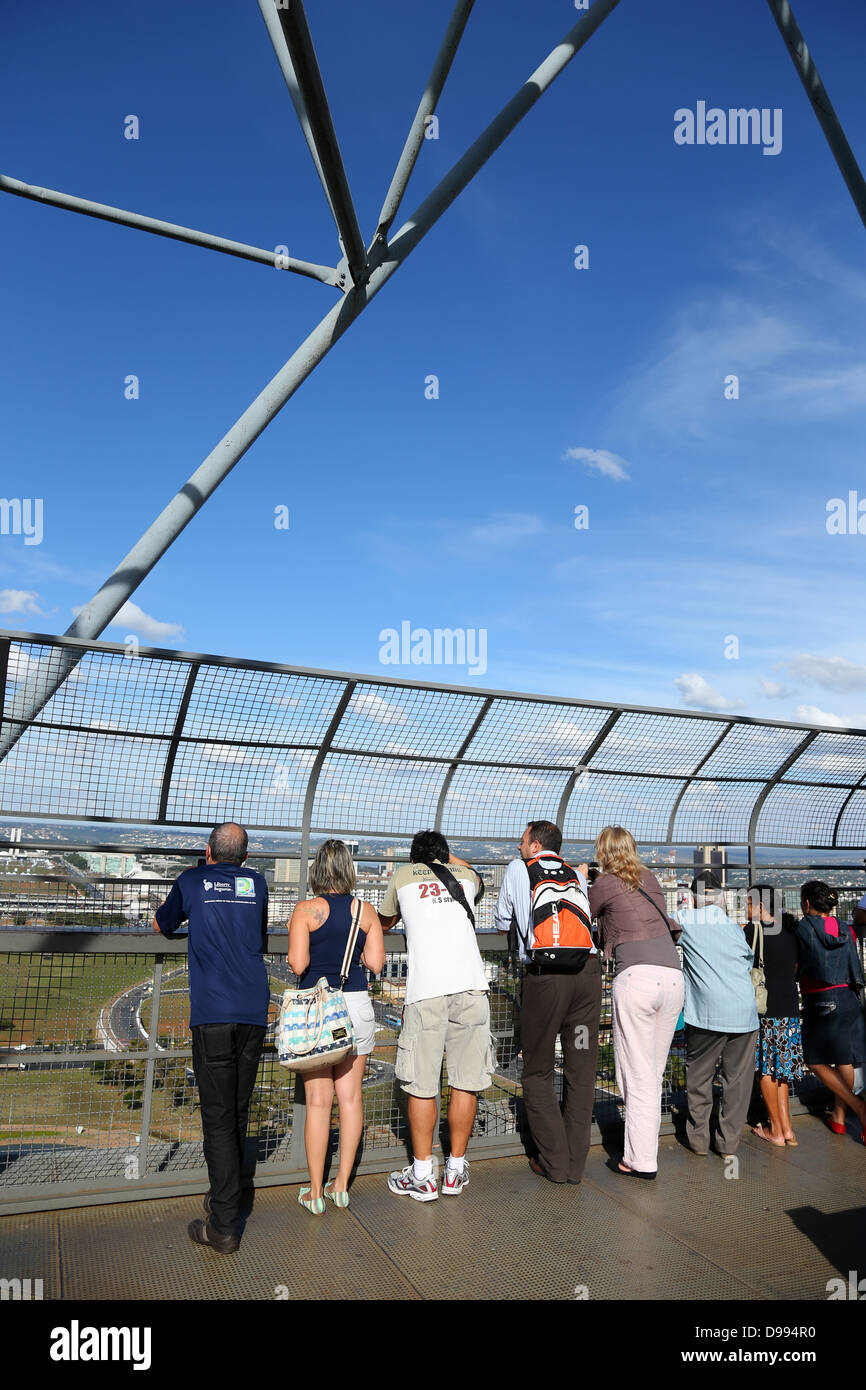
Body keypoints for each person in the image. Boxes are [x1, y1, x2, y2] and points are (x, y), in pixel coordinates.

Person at [154, 822, 269, 1254]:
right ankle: (229, 1195)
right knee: (238, 1110)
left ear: (207, 851)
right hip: (255, 1010)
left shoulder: (190, 880)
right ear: (244, 856)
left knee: (218, 1118)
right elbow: (255, 936)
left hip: (213, 1013)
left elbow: (161, 924)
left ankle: (223, 1224)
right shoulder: (256, 883)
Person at [377, 830, 494, 1201]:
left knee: (422, 1083)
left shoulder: (401, 877)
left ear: (413, 858)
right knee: (466, 1081)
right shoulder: (465, 877)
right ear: (446, 856)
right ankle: (455, 1171)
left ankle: (424, 1175)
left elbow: (384, 922)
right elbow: (473, 873)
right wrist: (449, 859)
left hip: (426, 989)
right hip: (473, 985)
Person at [494, 820, 600, 1184]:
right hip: (587, 977)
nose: (518, 848)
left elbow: (502, 918)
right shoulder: (575, 872)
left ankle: (555, 1162)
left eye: (522, 842)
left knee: (537, 1070)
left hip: (546, 980)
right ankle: (575, 1165)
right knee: (581, 1070)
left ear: (536, 845)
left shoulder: (517, 869)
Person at [288, 840, 385, 1213]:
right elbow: (376, 963)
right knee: (351, 1099)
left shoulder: (306, 909)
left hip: (319, 1011)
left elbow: (298, 965)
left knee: (318, 1102)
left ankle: (314, 1191)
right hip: (356, 1006)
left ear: (317, 870)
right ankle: (341, 1185)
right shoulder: (367, 910)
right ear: (348, 869)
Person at [589, 826, 683, 1179]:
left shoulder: (604, 882)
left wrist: (587, 879)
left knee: (636, 1073)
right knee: (651, 1073)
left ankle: (641, 1160)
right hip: (673, 978)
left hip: (637, 979)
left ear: (603, 851)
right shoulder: (650, 876)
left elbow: (590, 917)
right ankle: (641, 1149)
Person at [673, 870, 758, 1158]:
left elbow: (667, 925)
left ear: (694, 898)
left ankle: (698, 1140)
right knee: (737, 1081)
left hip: (707, 1013)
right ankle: (727, 1144)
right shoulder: (733, 927)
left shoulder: (686, 920)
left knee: (699, 1076)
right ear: (721, 898)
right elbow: (747, 961)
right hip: (743, 1012)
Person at [795, 880, 866, 1142]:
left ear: (807, 903)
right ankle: (838, 1117)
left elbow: (798, 964)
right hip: (849, 997)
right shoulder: (845, 928)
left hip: (821, 998)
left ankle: (859, 1107)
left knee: (814, 1060)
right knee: (844, 1059)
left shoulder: (804, 927)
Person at [743, 887, 804, 1148]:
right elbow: (797, 967)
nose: (746, 909)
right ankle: (787, 1129)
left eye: (747, 903)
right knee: (781, 1071)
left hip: (765, 1009)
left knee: (766, 1070)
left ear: (759, 906)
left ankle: (775, 1131)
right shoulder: (791, 930)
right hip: (789, 1005)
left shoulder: (751, 931)